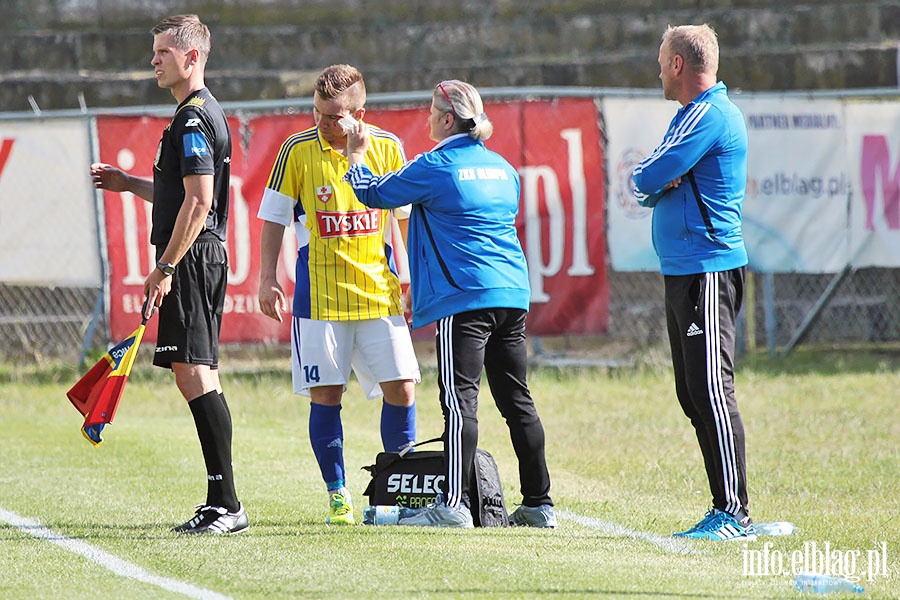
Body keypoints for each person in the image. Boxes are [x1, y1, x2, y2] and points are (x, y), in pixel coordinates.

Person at [345, 79, 555, 528]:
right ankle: (540, 503)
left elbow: (373, 193)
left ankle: (455, 505)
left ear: (446, 118)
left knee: (460, 402)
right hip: (512, 294)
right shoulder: (503, 168)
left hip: (464, 298)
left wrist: (356, 153)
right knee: (517, 399)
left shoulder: (435, 165)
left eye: (431, 111)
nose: (426, 118)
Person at [89, 14, 247, 534]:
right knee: (198, 374)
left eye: (162, 51)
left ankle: (225, 505)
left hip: (193, 258)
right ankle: (223, 500)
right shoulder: (191, 114)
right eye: (154, 51)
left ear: (192, 57)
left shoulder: (195, 118)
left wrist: (164, 267)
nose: (153, 59)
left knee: (194, 374)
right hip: (196, 256)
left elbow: (199, 204)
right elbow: (181, 193)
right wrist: (127, 182)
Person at [256, 64, 419, 525]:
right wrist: (267, 277)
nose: (323, 124)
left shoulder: (386, 148)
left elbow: (402, 220)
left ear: (359, 114)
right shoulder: (296, 150)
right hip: (319, 302)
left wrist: (412, 280)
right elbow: (274, 218)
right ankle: (338, 494)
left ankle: (393, 490)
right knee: (326, 396)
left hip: (379, 296)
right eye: (318, 113)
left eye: (334, 117)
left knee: (403, 389)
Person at [632, 24, 755, 541]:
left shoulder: (709, 113)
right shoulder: (688, 116)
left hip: (706, 268)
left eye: (662, 60)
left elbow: (645, 176)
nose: (658, 69)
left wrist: (656, 178)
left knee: (710, 387)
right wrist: (656, 178)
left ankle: (735, 512)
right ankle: (724, 508)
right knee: (691, 391)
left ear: (679, 64)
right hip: (684, 271)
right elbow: (650, 181)